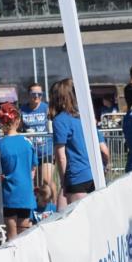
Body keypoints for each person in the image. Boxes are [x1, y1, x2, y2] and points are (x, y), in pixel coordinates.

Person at [50, 78, 95, 207]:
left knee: (75, 217)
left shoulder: (60, 120)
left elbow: (61, 156)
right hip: (91, 174)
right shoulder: (83, 117)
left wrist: (63, 182)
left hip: (75, 177)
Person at [0, 103, 36, 240]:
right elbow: (33, 170)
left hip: (9, 194)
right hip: (25, 193)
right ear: (18, 121)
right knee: (24, 237)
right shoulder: (27, 142)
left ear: (1, 122)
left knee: (12, 237)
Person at [19, 82, 53, 188]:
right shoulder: (22, 110)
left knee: (46, 180)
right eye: (34, 94)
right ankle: (39, 199)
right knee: (34, 184)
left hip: (45, 151)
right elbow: (18, 128)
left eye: (40, 94)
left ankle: (56, 198)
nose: (37, 96)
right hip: (30, 151)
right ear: (29, 94)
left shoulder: (46, 108)